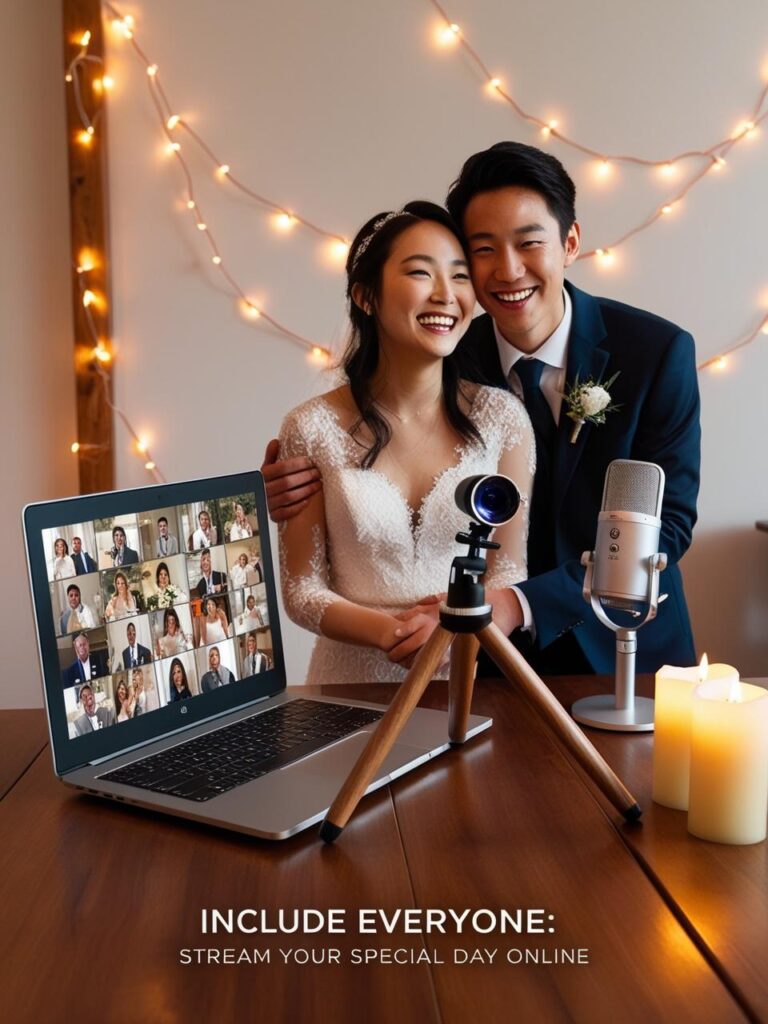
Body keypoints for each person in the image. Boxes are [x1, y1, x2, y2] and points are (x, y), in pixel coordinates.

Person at [263, 146, 701, 677]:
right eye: (484, 250)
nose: (509, 270)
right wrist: (298, 489)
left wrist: (516, 603)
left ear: (569, 243)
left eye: (529, 243)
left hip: (621, 649)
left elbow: (667, 526)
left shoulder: (654, 353)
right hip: (488, 668)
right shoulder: (442, 349)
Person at [272, 201, 534, 684]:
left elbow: (506, 571)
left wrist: (450, 631)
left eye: (459, 277)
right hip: (347, 687)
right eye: (420, 273)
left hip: (466, 681)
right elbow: (301, 590)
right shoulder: (310, 428)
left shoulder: (503, 419)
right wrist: (391, 634)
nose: (446, 295)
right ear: (366, 296)